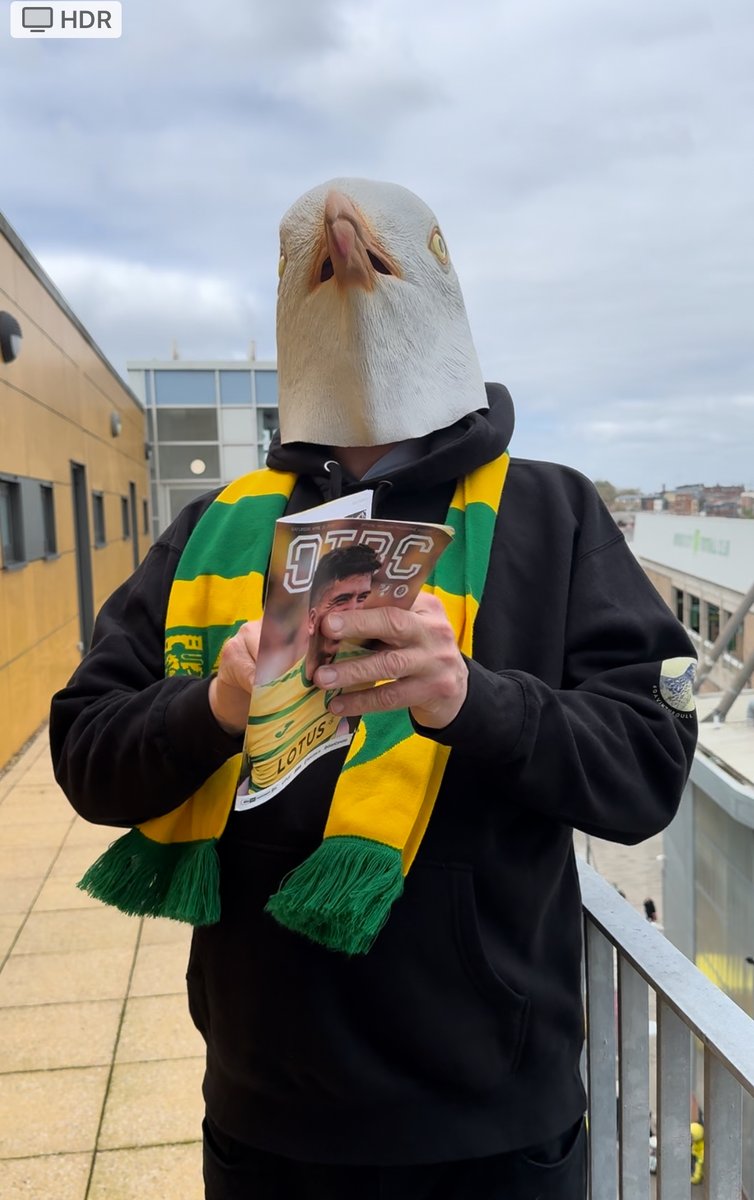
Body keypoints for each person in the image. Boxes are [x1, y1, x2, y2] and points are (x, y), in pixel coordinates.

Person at [50, 178, 698, 1200]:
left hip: (493, 1118)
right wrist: (213, 708)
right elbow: (87, 756)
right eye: (306, 256)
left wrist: (471, 699)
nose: (346, 250)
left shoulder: (556, 514)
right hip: (267, 1111)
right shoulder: (212, 527)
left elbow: (644, 773)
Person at [241, 544, 382, 795]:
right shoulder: (266, 695)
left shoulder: (360, 675)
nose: (355, 614)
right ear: (312, 619)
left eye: (362, 598)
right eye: (341, 600)